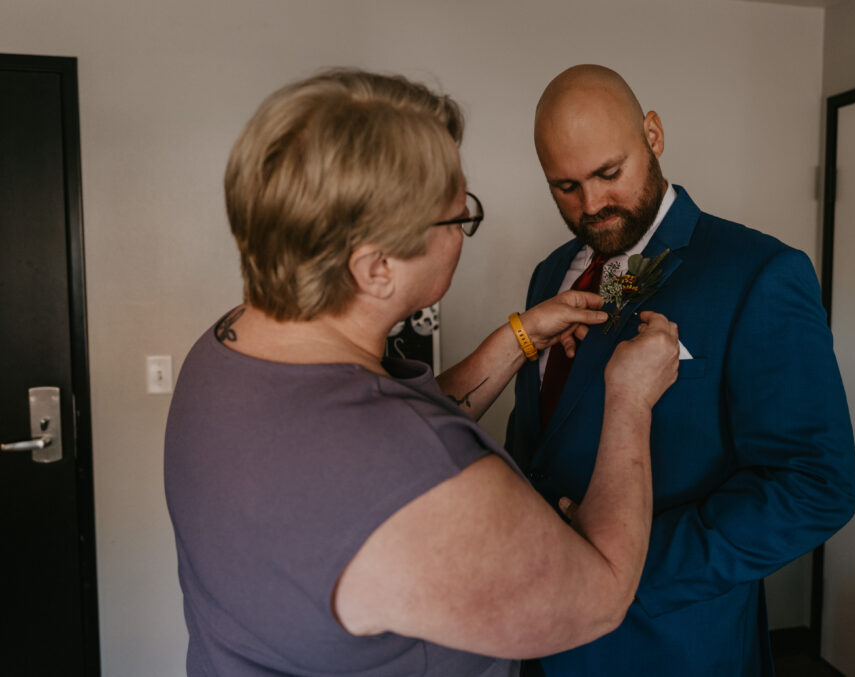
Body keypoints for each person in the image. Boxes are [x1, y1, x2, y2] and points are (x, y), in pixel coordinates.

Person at [163, 68, 681, 677]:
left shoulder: (225, 348)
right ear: (377, 267)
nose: (465, 233)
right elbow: (602, 594)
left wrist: (518, 337)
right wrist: (629, 399)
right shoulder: (408, 467)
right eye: (459, 218)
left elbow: (364, 431)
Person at [505, 64, 855, 676]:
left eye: (607, 174)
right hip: (542, 632)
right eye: (564, 186)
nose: (590, 206)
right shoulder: (549, 274)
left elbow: (814, 485)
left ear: (654, 135)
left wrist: (616, 565)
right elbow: (536, 442)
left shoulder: (760, 273)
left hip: (672, 642)